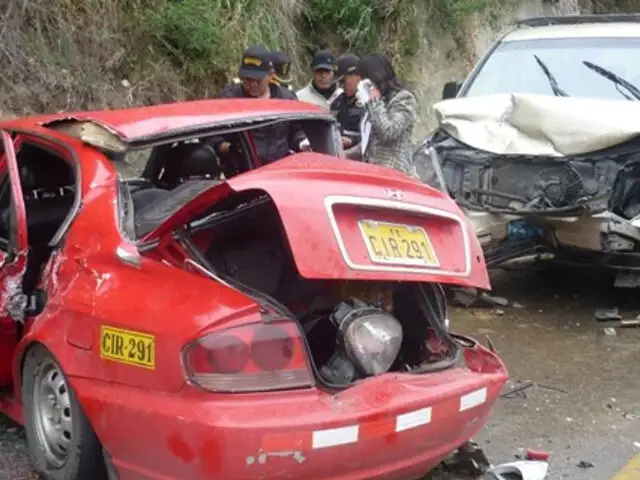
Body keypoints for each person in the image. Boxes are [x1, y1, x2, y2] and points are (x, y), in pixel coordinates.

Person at [215, 45, 309, 164]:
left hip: (279, 170)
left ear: (270, 75)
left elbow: (297, 131)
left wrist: (302, 143)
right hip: (241, 173)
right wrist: (225, 147)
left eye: (258, 80)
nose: (253, 84)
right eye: (248, 79)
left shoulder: (287, 100)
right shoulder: (228, 100)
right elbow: (211, 136)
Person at [345, 53, 418, 178]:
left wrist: (373, 101)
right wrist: (344, 154)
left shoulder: (404, 99)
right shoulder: (376, 103)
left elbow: (388, 132)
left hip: (397, 177)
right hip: (374, 174)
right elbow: (371, 144)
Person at [330, 54, 365, 151]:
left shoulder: (373, 102)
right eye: (339, 82)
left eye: (343, 81)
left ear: (358, 76)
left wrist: (353, 141)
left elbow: (379, 139)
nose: (341, 86)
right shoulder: (337, 101)